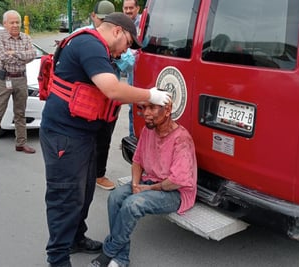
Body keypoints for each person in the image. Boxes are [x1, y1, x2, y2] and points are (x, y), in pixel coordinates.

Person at [39, 12, 171, 267]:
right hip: (64, 136)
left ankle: (75, 238)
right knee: (65, 196)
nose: (126, 52)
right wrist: (151, 95)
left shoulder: (98, 49)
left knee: (84, 192)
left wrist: (142, 100)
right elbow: (111, 89)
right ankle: (57, 258)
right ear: (118, 32)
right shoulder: (89, 45)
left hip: (83, 135)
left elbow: (109, 95)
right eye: (129, 44)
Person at [89, 100, 197, 267]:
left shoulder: (181, 139)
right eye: (144, 108)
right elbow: (137, 160)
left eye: (152, 108)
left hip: (174, 191)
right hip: (151, 180)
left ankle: (109, 251)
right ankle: (122, 258)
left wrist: (148, 188)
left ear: (167, 110)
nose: (146, 113)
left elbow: (176, 181)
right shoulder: (148, 130)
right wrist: (134, 184)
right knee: (115, 197)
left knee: (133, 204)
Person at [72, 1, 118, 191]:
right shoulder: (82, 37)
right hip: (87, 97)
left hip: (109, 98)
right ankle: (80, 173)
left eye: (109, 20)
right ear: (93, 16)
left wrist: (119, 55)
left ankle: (99, 174)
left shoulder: (117, 38)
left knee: (104, 138)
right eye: (101, 19)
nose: (103, 23)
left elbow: (130, 63)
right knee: (84, 136)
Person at [0, 10, 36, 160]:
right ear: (5, 24)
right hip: (3, 80)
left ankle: (21, 143)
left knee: (20, 113)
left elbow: (33, 54)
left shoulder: (26, 38)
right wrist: (20, 56)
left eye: (17, 22)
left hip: (21, 79)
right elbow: (2, 55)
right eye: (12, 22)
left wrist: (14, 54)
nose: (15, 25)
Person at [122, 0, 141, 138]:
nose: (128, 11)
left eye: (131, 8)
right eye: (125, 8)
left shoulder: (144, 24)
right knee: (132, 108)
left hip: (141, 71)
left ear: (137, 8)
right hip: (130, 74)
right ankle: (132, 137)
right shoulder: (121, 25)